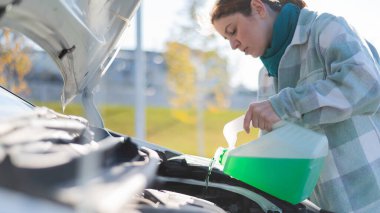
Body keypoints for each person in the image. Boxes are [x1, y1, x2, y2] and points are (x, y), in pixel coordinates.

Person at [210, 0, 380, 212]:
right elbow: (278, 152)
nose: (233, 45)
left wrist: (284, 105)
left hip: (370, 199)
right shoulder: (265, 76)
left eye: (232, 30)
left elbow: (367, 85)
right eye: (227, 39)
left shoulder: (325, 28)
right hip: (317, 207)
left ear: (258, 7)